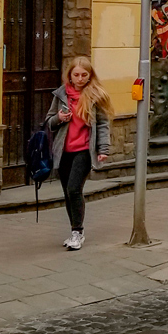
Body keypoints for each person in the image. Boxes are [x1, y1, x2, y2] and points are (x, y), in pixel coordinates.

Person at [45, 56, 111, 251]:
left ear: (90, 76)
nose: (80, 78)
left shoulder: (95, 96)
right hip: (64, 151)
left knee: (74, 189)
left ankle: (78, 232)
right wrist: (58, 118)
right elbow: (48, 122)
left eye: (84, 75)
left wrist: (103, 149)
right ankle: (74, 231)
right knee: (68, 192)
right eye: (76, 75)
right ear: (70, 76)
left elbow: (103, 124)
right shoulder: (60, 96)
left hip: (84, 150)